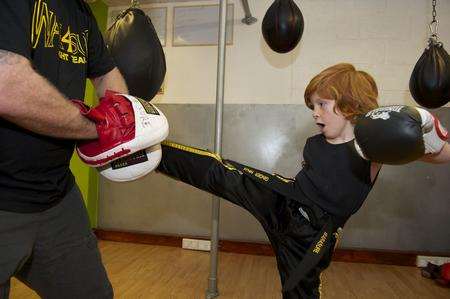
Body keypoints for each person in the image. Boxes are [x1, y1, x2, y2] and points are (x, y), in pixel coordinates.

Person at [156, 63, 450, 298]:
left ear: (348, 105)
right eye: (312, 106)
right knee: (224, 173)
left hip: (314, 234)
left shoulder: (370, 147)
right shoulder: (315, 141)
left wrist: (430, 130)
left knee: (298, 291)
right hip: (287, 199)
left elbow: (441, 155)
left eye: (321, 104)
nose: (315, 113)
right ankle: (151, 152)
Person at [0, 0, 128, 298]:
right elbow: (6, 84)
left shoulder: (80, 11)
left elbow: (105, 74)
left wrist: (127, 120)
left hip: (56, 197)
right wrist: (100, 129)